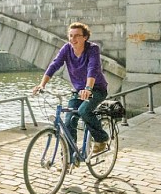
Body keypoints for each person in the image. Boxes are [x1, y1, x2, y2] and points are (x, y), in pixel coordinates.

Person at [32, 22, 109, 153]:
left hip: (96, 89)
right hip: (79, 91)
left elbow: (93, 68)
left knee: (84, 110)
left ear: (85, 37)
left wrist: (88, 88)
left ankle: (101, 139)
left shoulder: (92, 49)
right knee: (68, 120)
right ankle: (70, 155)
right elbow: (55, 64)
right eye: (70, 36)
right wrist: (42, 84)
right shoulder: (67, 48)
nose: (73, 39)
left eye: (77, 36)